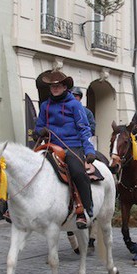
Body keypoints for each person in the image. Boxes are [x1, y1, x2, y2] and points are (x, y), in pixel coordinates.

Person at [34, 71, 96, 229]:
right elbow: (39, 126)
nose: (54, 88)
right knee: (30, 167)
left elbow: (84, 128)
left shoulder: (75, 105)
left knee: (77, 172)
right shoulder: (45, 105)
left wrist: (89, 150)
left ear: (64, 87)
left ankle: (86, 209)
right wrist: (39, 131)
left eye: (58, 86)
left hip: (71, 146)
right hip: (50, 145)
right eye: (52, 86)